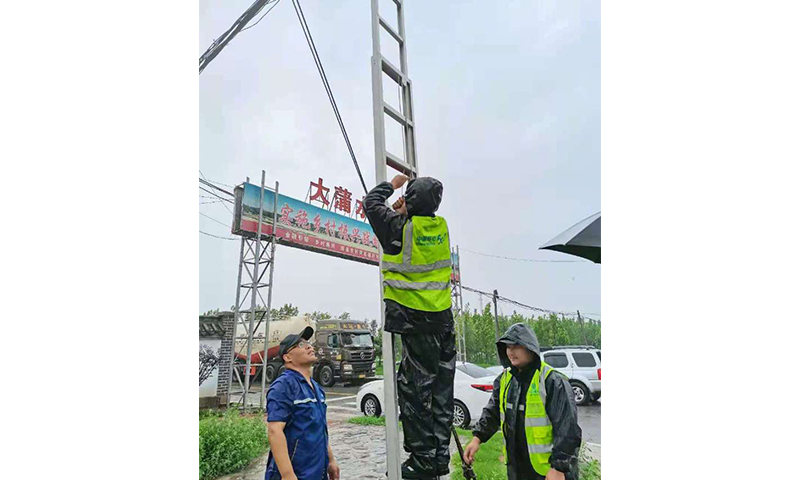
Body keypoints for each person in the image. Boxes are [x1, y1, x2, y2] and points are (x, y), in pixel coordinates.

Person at [364, 174, 455, 480]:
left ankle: (422, 460)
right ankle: (439, 458)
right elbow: (410, 223)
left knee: (416, 394)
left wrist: (392, 184)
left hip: (417, 322)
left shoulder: (400, 230)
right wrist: (406, 209)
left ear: (411, 200)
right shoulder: (440, 228)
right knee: (441, 396)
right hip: (444, 321)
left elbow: (371, 203)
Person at [464, 323, 582, 480]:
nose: (510, 352)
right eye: (507, 347)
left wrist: (558, 468)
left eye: (516, 346)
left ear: (530, 347)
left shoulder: (551, 381)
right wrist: (477, 438)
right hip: (517, 469)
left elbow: (568, 428)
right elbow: (492, 413)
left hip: (548, 473)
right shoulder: (505, 380)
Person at [264, 327, 340, 480]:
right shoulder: (283, 386)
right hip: (296, 473)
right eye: (300, 345)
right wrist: (287, 475)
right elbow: (275, 431)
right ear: (287, 357)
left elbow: (320, 428)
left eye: (308, 343)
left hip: (317, 471)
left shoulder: (316, 388)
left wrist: (331, 460)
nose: (309, 346)